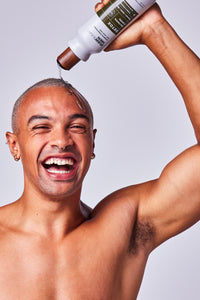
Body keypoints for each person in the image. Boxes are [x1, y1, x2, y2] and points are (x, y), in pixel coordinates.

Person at [3, 1, 200, 299]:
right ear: (14, 145)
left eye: (77, 127)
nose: (62, 140)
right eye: (42, 127)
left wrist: (154, 30)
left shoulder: (125, 227)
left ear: (93, 144)